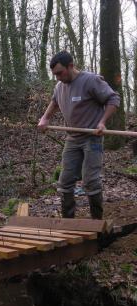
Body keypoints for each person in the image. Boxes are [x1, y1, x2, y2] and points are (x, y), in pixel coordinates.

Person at [38, 51, 120, 219]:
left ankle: (98, 226)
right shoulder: (60, 86)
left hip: (92, 138)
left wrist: (102, 122)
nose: (58, 77)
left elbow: (113, 99)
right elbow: (54, 102)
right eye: (55, 75)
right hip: (72, 139)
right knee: (65, 181)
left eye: (60, 73)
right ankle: (69, 224)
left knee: (90, 181)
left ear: (70, 66)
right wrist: (45, 118)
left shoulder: (90, 80)